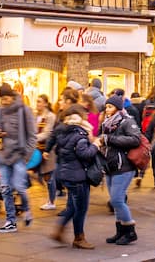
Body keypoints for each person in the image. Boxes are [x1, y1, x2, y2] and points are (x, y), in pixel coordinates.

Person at [47, 104, 99, 249]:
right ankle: (78, 238)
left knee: (72, 206)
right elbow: (85, 154)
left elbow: (58, 151)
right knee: (80, 208)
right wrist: (96, 145)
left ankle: (60, 230)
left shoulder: (63, 132)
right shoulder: (80, 134)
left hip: (66, 174)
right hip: (78, 176)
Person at [0, 83, 35, 233]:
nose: (4, 102)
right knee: (4, 189)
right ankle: (11, 221)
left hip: (19, 155)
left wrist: (27, 156)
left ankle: (27, 210)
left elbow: (32, 135)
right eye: (1, 99)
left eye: (6, 98)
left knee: (19, 186)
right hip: (3, 155)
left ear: (12, 96)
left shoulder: (24, 110)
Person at [97, 95, 141, 246]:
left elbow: (135, 139)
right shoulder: (106, 123)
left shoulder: (127, 121)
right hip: (110, 166)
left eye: (110, 107)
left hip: (124, 166)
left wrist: (109, 139)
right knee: (117, 201)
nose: (107, 109)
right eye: (106, 107)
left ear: (117, 107)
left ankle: (130, 230)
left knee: (116, 199)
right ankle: (120, 231)